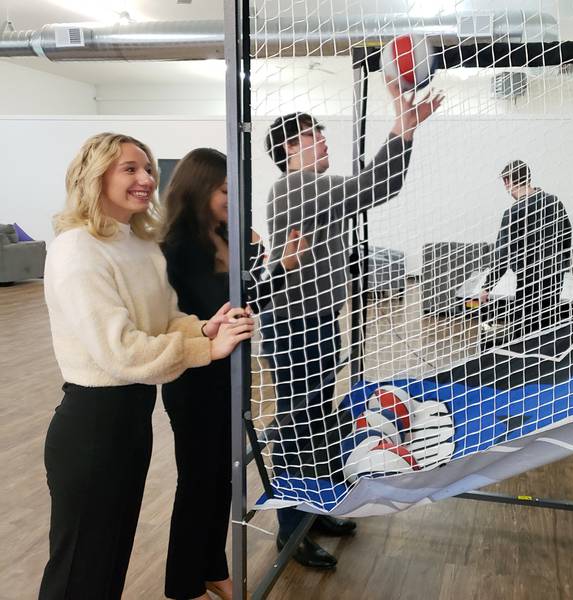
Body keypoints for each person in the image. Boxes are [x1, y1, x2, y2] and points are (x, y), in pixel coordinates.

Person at [39, 133, 254, 600]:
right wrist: (205, 352)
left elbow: (167, 319)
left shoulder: (138, 244)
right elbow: (119, 350)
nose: (145, 179)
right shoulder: (77, 249)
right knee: (81, 567)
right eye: (129, 169)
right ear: (95, 177)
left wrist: (203, 329)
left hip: (133, 419)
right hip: (92, 424)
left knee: (108, 561)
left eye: (148, 168)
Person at [262, 79, 443, 568]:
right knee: (299, 425)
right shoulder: (297, 186)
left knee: (318, 419)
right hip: (295, 325)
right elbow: (378, 186)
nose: (322, 139)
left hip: (314, 319)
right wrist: (402, 129)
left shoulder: (306, 187)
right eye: (309, 135)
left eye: (320, 131)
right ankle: (289, 530)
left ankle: (313, 510)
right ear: (288, 149)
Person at [159, 148, 308, 600]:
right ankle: (184, 584)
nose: (231, 198)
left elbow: (242, 304)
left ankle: (212, 568)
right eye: (225, 190)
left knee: (222, 479)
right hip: (195, 379)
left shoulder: (225, 236)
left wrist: (280, 267)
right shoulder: (177, 249)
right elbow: (202, 315)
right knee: (198, 482)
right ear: (199, 189)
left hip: (230, 376)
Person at [480, 160, 573, 337]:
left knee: (524, 335)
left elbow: (502, 255)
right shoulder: (555, 202)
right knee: (548, 332)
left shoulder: (513, 212)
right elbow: (569, 241)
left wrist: (487, 287)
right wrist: (561, 268)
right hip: (554, 282)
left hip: (528, 286)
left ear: (507, 181)